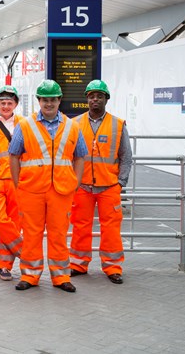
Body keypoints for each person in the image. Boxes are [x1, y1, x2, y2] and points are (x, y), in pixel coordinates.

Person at [9, 79, 87, 293]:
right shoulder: (25, 125)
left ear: (59, 100)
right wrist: (18, 184)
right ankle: (30, 276)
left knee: (59, 234)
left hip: (61, 190)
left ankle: (61, 276)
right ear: (39, 101)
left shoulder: (73, 126)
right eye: (45, 100)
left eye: (53, 100)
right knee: (31, 234)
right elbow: (13, 155)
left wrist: (76, 181)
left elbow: (80, 156)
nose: (49, 104)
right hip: (31, 190)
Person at [70, 79, 133, 284]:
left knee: (111, 229)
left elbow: (126, 155)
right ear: (87, 99)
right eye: (91, 96)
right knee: (80, 226)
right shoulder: (75, 124)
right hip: (83, 186)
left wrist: (120, 182)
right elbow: (68, 155)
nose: (95, 99)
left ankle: (113, 267)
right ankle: (78, 264)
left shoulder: (118, 124)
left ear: (106, 99)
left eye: (99, 95)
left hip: (109, 186)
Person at [0, 86, 24, 281]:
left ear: (16, 104)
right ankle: (23, 251)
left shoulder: (24, 124)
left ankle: (4, 266)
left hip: (17, 180)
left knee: (14, 223)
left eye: (10, 102)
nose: (6, 106)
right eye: (3, 102)